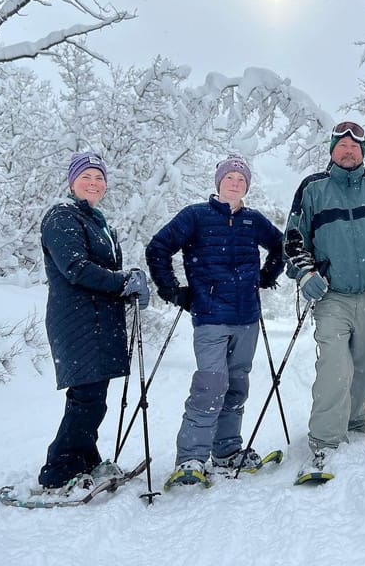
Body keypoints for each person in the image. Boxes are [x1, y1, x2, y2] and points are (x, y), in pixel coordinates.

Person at [284, 121, 365, 474]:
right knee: (334, 366)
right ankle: (325, 441)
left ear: (362, 152)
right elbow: (293, 240)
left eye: (354, 147)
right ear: (331, 151)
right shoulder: (313, 189)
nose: (348, 151)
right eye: (341, 146)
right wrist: (305, 273)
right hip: (333, 296)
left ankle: (356, 423)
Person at [145, 154, 284, 487]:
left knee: (236, 386)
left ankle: (226, 452)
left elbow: (282, 245)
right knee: (211, 385)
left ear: (246, 186)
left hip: (247, 318)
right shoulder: (196, 216)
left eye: (241, 180)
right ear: (218, 182)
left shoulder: (253, 220)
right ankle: (191, 457)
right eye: (229, 178)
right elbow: (158, 247)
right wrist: (172, 290)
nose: (235, 184)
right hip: (209, 316)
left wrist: (266, 276)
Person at [38, 152, 151, 492]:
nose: (94, 183)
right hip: (76, 321)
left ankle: (84, 460)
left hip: (99, 321)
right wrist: (122, 283)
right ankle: (59, 470)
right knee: (86, 397)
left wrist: (130, 282)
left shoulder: (97, 221)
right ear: (72, 181)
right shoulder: (61, 217)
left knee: (94, 397)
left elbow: (103, 271)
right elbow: (75, 268)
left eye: (99, 178)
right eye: (86, 176)